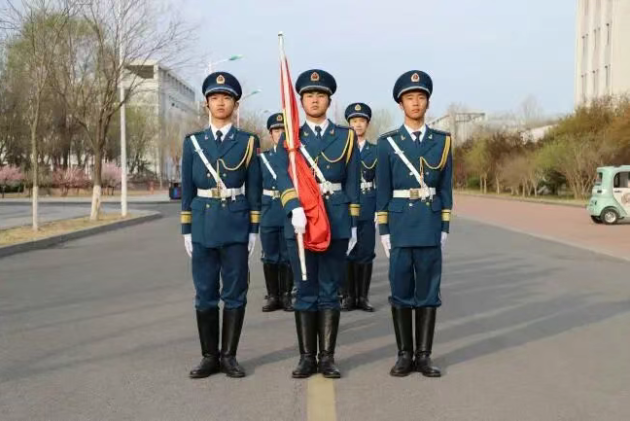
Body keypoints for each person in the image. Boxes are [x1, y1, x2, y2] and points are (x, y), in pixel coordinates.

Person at [273, 69, 360, 379]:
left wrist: (352, 223)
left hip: (335, 219)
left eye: (320, 95)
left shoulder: (346, 137)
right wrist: (293, 206)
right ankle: (306, 358)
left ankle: (327, 358)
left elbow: (352, 183)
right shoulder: (291, 138)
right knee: (305, 289)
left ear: (329, 100)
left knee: (329, 290)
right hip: (301, 221)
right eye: (309, 95)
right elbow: (282, 175)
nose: (314, 100)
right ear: (300, 100)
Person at [180, 72, 262, 379]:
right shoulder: (193, 143)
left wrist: (253, 229)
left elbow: (254, 189)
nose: (220, 103)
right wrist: (186, 229)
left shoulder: (248, 142)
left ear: (235, 104)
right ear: (206, 104)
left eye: (226, 98)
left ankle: (229, 356)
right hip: (202, 224)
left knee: (235, 292)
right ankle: (208, 356)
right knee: (204, 293)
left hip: (235, 224)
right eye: (214, 98)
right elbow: (187, 190)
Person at [376, 70, 452, 378]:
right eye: (410, 98)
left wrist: (444, 227)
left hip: (429, 225)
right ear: (401, 104)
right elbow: (382, 191)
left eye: (421, 97)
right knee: (401, 291)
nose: (416, 103)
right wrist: (384, 231)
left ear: (428, 103)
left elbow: (445, 188)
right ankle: (404, 355)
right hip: (400, 225)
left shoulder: (442, 142)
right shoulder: (387, 143)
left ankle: (424, 355)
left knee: (429, 292)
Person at [342, 102, 377, 312]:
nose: (357, 124)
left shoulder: (376, 150)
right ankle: (349, 296)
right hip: (347, 207)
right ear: (349, 124)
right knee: (348, 251)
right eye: (354, 121)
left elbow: (382, 182)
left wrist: (380, 210)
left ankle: (363, 297)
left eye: (361, 121)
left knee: (366, 252)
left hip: (368, 204)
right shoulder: (342, 149)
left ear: (367, 124)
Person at [259, 112, 294, 312]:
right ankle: (273, 296)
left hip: (288, 210)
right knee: (270, 255)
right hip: (269, 211)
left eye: (283, 130)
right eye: (276, 130)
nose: (280, 133)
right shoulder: (262, 158)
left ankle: (287, 295)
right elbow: (255, 188)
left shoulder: (295, 157)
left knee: (287, 254)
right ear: (270, 134)